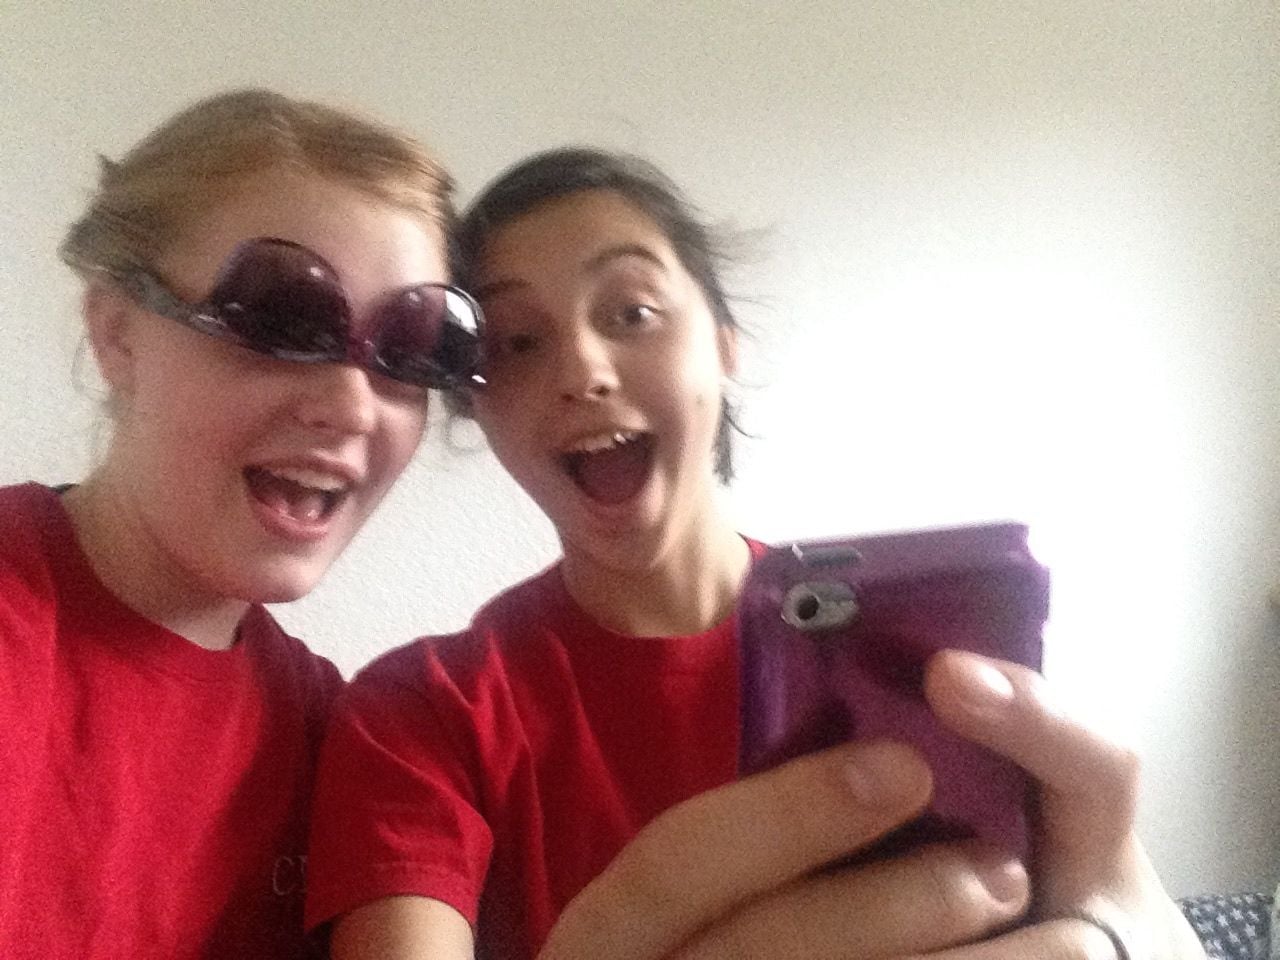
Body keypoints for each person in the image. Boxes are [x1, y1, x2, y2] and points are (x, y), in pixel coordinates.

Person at [305, 147, 1206, 959]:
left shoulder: (920, 648)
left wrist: (1116, 938)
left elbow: (1137, 920)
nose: (582, 370)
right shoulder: (420, 716)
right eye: (518, 343)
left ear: (725, 345)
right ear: (477, 404)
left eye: (632, 311)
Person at [0, 89, 480, 959]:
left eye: (413, 349)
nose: (351, 406)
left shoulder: (338, 739)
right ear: (117, 335)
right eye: (282, 321)